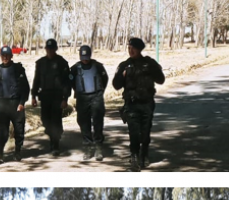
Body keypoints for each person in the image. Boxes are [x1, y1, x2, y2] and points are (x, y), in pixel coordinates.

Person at [112, 37, 166, 171]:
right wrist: (121, 76)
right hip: (131, 104)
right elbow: (116, 85)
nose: (130, 51)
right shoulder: (124, 65)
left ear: (139, 49)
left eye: (133, 48)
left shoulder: (149, 63)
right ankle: (134, 156)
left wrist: (155, 70)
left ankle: (144, 154)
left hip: (147, 104)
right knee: (134, 133)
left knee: (145, 133)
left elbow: (161, 80)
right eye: (129, 48)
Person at [31, 39, 71, 155]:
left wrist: (65, 99)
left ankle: (55, 144)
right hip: (45, 96)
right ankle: (53, 136)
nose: (50, 51)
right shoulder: (40, 63)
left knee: (55, 120)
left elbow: (66, 82)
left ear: (55, 49)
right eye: (48, 49)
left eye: (52, 49)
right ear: (46, 49)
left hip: (57, 96)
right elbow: (36, 80)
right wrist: (33, 96)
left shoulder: (62, 63)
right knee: (45, 120)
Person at [69, 45, 110, 161]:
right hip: (82, 98)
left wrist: (100, 91)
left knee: (98, 122)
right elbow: (70, 81)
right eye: (83, 57)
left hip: (96, 96)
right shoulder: (74, 68)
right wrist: (77, 90)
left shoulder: (98, 66)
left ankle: (98, 147)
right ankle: (87, 147)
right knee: (83, 122)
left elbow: (105, 79)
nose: (85, 59)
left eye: (87, 57)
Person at [0, 45, 31, 163]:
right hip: (3, 104)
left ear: (11, 56)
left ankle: (18, 152)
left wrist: (22, 102)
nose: (5, 58)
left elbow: (26, 87)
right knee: (3, 131)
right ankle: (0, 153)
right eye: (3, 56)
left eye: (7, 55)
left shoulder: (18, 69)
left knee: (19, 130)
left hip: (16, 104)